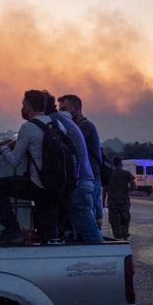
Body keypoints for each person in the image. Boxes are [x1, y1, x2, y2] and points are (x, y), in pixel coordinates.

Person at [0, 90, 61, 245]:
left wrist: (4, 148)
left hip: (37, 184)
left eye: (23, 104)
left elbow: (14, 161)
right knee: (48, 225)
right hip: (56, 184)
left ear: (28, 105)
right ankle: (51, 247)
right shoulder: (56, 123)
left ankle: (12, 229)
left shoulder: (28, 127)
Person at [47, 94, 102, 242]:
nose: (62, 112)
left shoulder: (84, 126)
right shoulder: (75, 125)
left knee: (89, 228)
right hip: (87, 179)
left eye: (64, 109)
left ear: (76, 109)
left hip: (88, 180)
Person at [106, 156, 135, 240]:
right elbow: (134, 185)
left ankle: (117, 239)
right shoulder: (126, 173)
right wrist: (128, 191)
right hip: (124, 201)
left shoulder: (109, 174)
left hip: (112, 202)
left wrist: (104, 200)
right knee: (125, 219)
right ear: (121, 164)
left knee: (114, 221)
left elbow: (105, 188)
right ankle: (125, 235)